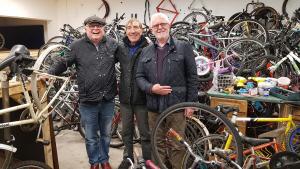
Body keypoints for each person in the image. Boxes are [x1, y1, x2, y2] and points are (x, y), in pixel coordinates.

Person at [48, 15, 119, 169]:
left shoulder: (113, 44)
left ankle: (104, 160)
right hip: (88, 100)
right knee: (91, 136)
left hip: (108, 98)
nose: (95, 29)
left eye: (99, 26)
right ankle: (94, 162)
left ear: (103, 29)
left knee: (106, 134)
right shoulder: (76, 46)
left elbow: (125, 62)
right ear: (86, 28)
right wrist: (49, 73)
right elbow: (63, 62)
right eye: (92, 26)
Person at [136, 13, 198, 169]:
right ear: (151, 29)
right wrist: (151, 88)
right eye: (156, 25)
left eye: (162, 24)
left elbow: (192, 77)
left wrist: (190, 104)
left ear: (169, 25)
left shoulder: (183, 47)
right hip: (153, 107)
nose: (159, 27)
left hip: (176, 106)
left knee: (176, 144)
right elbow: (139, 76)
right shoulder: (146, 51)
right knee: (157, 143)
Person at [116, 18, 151, 169]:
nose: (132, 31)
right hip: (125, 98)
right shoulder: (120, 47)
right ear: (125, 31)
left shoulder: (148, 47)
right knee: (126, 132)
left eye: (136, 27)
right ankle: (128, 158)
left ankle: (148, 161)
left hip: (142, 98)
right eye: (129, 28)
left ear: (141, 30)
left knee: (145, 133)